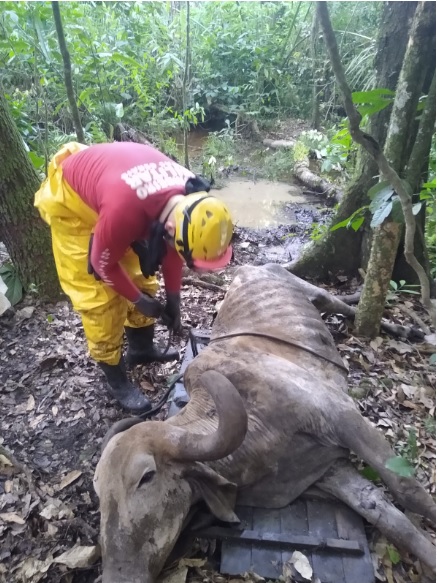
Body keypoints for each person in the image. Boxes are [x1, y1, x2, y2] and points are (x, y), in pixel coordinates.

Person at [34, 141, 233, 414]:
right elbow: (101, 265)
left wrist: (173, 299)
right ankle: (116, 382)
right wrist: (139, 301)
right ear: (172, 227)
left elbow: (173, 248)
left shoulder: (188, 195)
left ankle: (140, 349)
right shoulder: (124, 211)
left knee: (141, 274)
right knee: (99, 299)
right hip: (74, 204)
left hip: (121, 195)